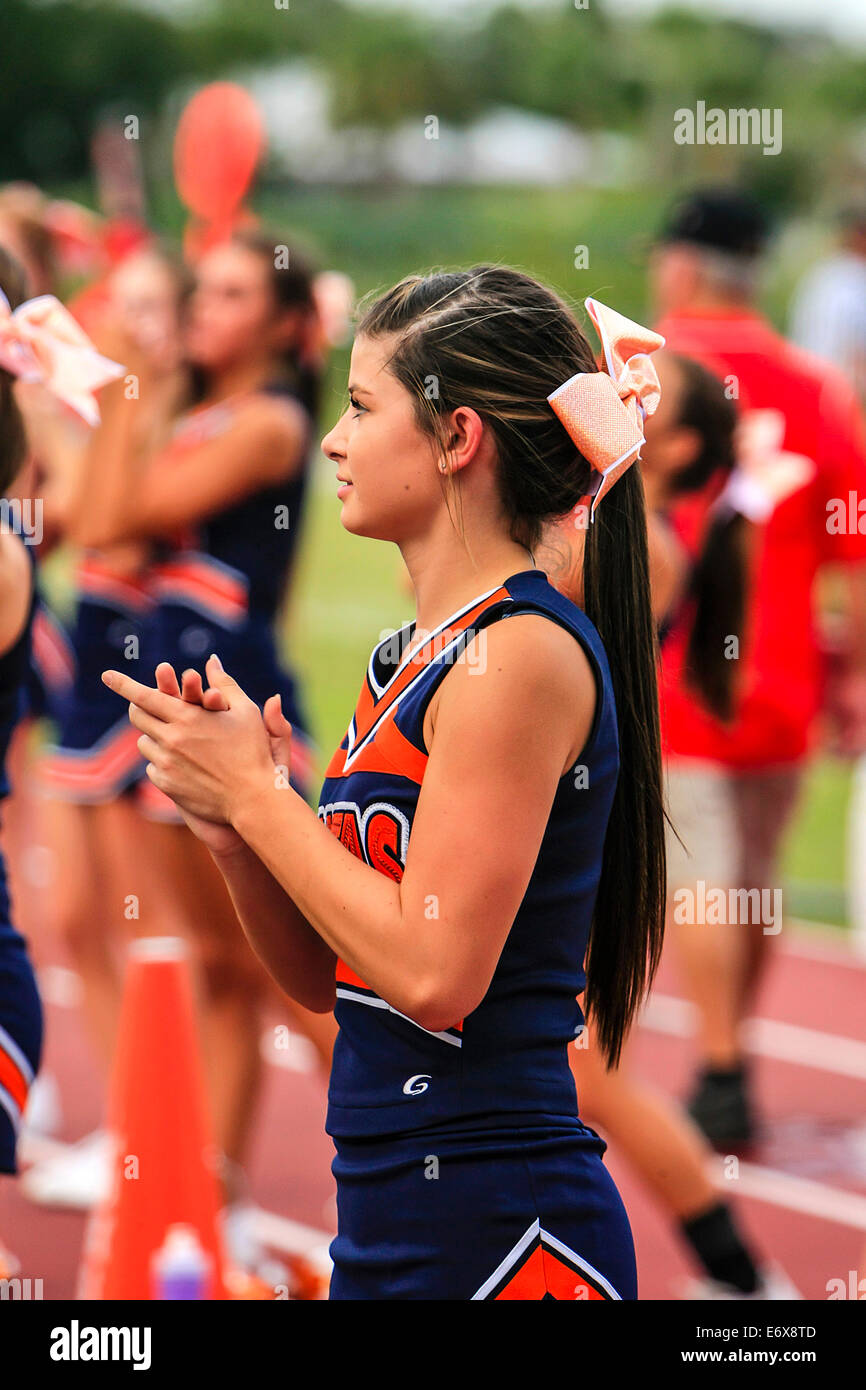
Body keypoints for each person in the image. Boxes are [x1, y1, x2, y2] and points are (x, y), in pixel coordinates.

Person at [101, 266, 668, 1300]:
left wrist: (264, 801)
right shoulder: (403, 656)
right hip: (390, 1207)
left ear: (456, 439)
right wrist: (234, 822)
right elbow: (331, 978)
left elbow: (434, 977)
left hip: (500, 1226)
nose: (331, 440)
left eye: (361, 408)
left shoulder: (518, 654)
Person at [62, 229, 328, 1272]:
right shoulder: (198, 406)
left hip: (225, 697)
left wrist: (130, 380)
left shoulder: (266, 421)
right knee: (216, 966)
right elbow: (90, 514)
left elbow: (119, 513)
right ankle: (216, 1197)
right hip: (166, 696)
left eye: (227, 295)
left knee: (281, 972)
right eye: (200, 291)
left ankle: (414, 1144)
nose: (201, 309)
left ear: (278, 323)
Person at [539, 348, 800, 1299]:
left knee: (583, 1073)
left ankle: (739, 1283)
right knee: (560, 1071)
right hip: (567, 817)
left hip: (584, 831)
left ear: (665, 439)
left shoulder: (637, 538)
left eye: (628, 395)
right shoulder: (603, 523)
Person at [650, 187, 866, 1145]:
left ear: (683, 267)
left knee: (699, 869)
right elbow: (854, 546)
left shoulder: (641, 365)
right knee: (757, 876)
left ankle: (722, 1062)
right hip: (784, 670)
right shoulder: (816, 385)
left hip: (678, 664)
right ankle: (729, 1055)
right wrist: (853, 672)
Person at [789, 204, 866, 403]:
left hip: (804, 384)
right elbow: (857, 356)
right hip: (839, 396)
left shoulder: (823, 273)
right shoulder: (856, 281)